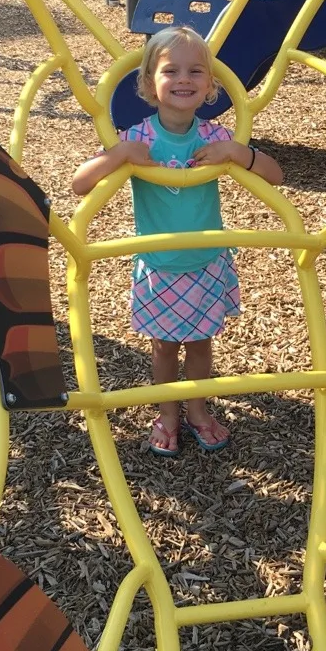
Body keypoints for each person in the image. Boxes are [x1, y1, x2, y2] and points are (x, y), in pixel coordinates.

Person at [72, 25, 283, 456]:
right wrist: (119, 156)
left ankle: (198, 410)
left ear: (210, 85)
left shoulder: (215, 137)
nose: (184, 79)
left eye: (195, 71)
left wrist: (238, 154)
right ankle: (167, 413)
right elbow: (80, 185)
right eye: (171, 70)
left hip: (206, 260)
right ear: (150, 82)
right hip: (160, 263)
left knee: (202, 344)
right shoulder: (136, 138)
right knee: (165, 348)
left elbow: (275, 177)